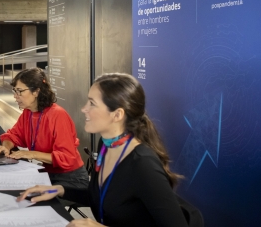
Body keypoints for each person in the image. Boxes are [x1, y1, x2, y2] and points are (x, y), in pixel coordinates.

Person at [17, 73, 188, 227]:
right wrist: (57, 189)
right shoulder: (105, 145)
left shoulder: (142, 164)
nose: (84, 109)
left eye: (92, 103)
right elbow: (99, 196)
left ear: (117, 114)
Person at [0, 67, 89, 190]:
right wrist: (6, 146)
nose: (15, 96)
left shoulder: (58, 115)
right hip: (47, 174)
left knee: (29, 198)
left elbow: (66, 158)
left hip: (71, 180)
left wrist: (31, 154)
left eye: (20, 91)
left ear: (36, 92)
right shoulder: (28, 112)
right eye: (14, 91)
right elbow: (14, 135)